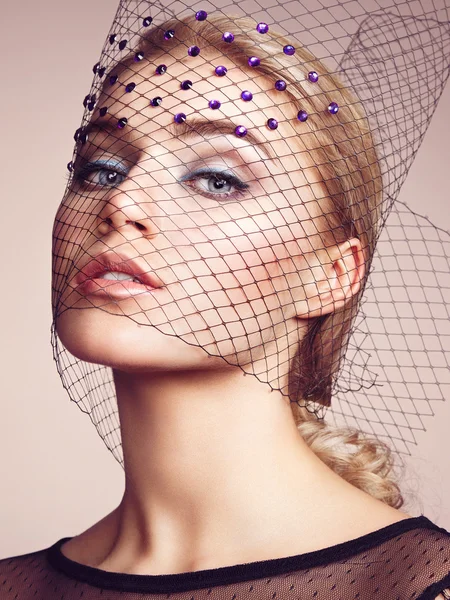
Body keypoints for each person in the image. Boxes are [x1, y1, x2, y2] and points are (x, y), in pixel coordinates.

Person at [1, 9, 450, 600]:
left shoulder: (415, 586)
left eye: (216, 179)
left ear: (332, 275)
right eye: (102, 168)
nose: (123, 201)